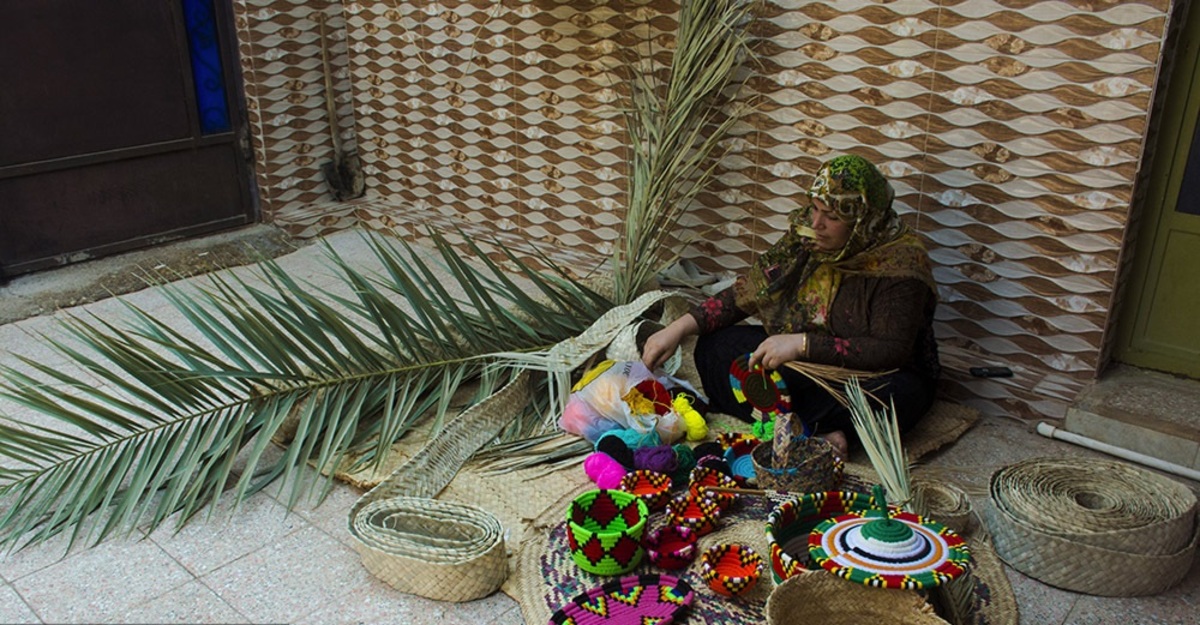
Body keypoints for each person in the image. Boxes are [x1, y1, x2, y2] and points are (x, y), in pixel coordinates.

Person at [641, 154, 940, 459]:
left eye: (832, 218)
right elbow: (751, 290)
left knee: (900, 398)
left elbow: (890, 349)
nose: (816, 224)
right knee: (714, 348)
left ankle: (814, 425)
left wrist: (802, 344)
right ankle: (814, 429)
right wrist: (677, 329)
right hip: (804, 364)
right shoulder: (808, 237)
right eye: (815, 209)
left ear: (863, 222)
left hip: (866, 374)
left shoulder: (900, 265)